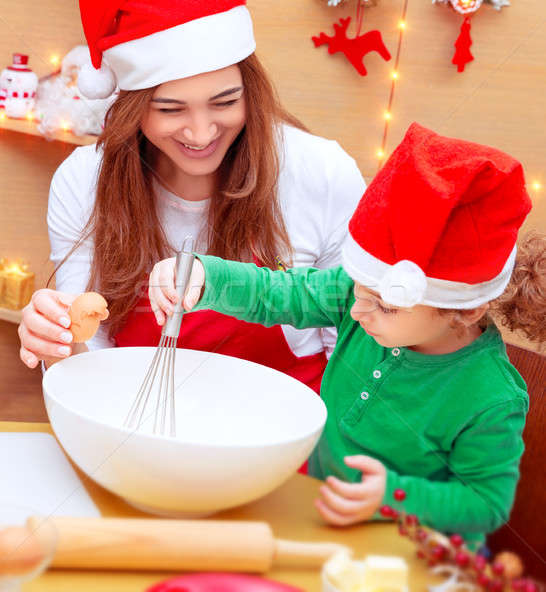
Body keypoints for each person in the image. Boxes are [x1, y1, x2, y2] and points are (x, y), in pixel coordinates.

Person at [149, 123, 545, 546]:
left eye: (385, 305)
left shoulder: (491, 397)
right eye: (359, 287)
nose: (356, 311)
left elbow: (486, 503)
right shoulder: (360, 296)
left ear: (466, 310)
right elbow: (281, 292)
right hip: (324, 523)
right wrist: (208, 276)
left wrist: (392, 496)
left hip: (414, 554)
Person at [17, 0, 365, 392]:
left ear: (250, 91)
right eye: (170, 109)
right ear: (132, 106)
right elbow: (87, 358)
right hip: (135, 434)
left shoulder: (322, 172)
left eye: (225, 102)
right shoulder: (83, 181)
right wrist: (56, 344)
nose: (201, 134)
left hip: (285, 446)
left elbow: (351, 350)